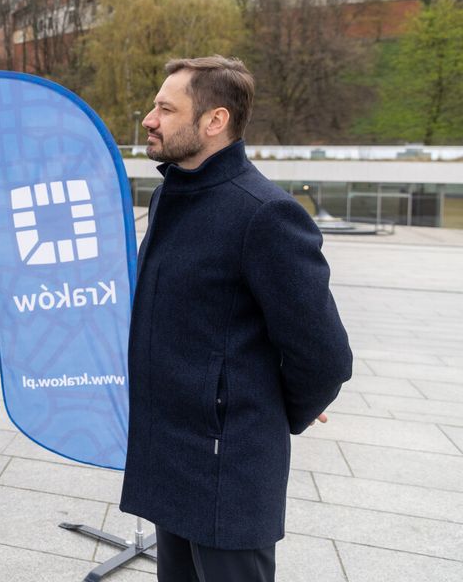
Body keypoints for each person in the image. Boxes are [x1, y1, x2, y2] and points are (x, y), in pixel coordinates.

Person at [121, 55, 352, 582]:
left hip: (228, 466)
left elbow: (324, 355)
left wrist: (266, 411)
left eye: (164, 108)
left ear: (214, 121)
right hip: (171, 455)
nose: (149, 120)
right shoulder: (170, 196)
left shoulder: (264, 213)